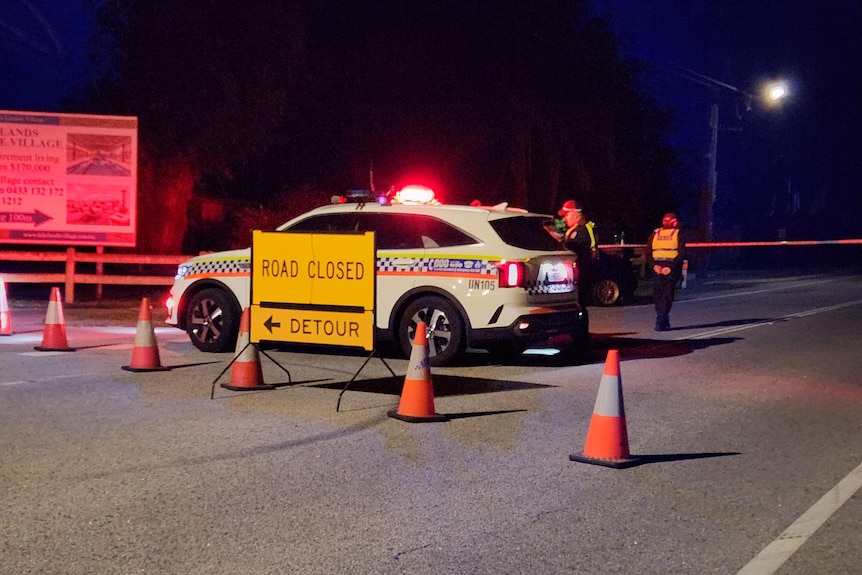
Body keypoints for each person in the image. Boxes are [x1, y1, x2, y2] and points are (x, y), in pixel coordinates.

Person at [646, 212, 686, 331]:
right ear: (673, 221)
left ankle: (662, 318)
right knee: (667, 295)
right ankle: (661, 319)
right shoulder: (678, 233)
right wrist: (671, 267)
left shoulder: (655, 234)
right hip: (670, 269)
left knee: (659, 295)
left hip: (659, 268)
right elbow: (682, 253)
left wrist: (654, 266)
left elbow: (648, 253)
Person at [558, 200, 597, 307]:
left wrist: (565, 239)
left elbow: (571, 248)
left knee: (580, 307)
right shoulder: (575, 229)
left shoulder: (581, 231)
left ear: (575, 215)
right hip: (576, 279)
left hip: (580, 279)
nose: (564, 218)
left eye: (567, 214)